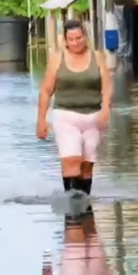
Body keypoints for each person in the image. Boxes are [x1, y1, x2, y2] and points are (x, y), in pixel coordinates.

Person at [36, 19, 113, 198]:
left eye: (79, 38)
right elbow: (46, 90)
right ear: (65, 40)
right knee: (71, 160)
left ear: (85, 37)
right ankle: (72, 213)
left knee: (87, 164)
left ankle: (85, 210)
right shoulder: (57, 59)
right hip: (65, 115)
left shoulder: (97, 57)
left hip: (92, 116)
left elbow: (107, 87)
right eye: (71, 39)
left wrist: (106, 109)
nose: (76, 42)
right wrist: (41, 120)